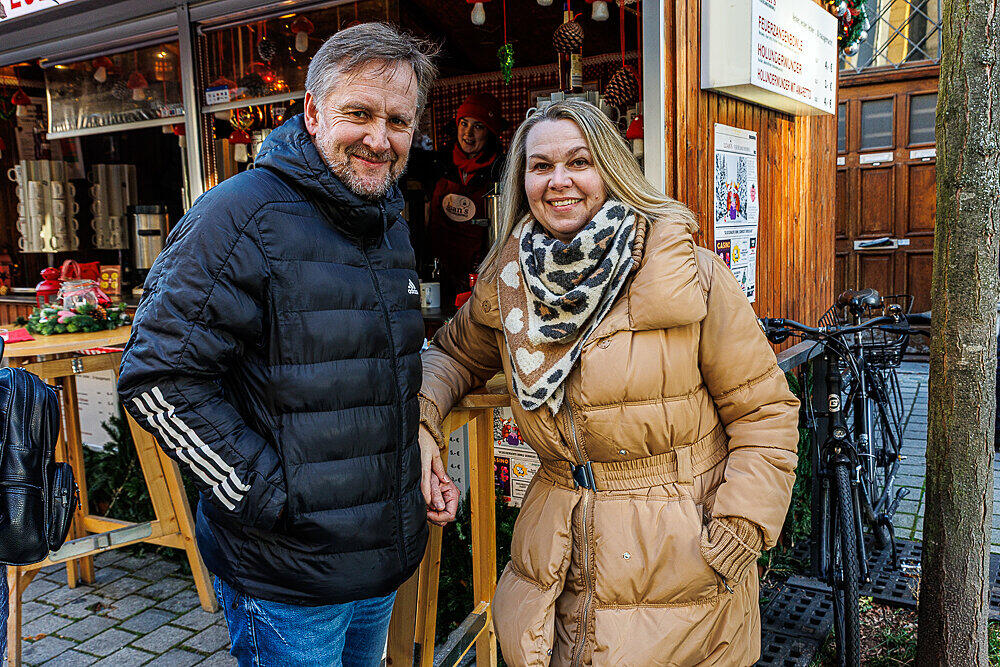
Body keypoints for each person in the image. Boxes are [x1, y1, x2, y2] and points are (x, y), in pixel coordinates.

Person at [118, 23, 458, 667]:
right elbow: (158, 379)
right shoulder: (238, 216)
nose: (379, 139)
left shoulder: (385, 219)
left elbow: (373, 372)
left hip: (376, 560)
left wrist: (414, 441)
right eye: (359, 113)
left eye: (399, 121)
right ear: (311, 110)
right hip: (287, 574)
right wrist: (268, 495)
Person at [417, 100, 800, 665]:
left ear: (612, 170)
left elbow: (764, 412)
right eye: (541, 166)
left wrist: (739, 528)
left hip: (678, 566)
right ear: (522, 181)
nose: (559, 181)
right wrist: (423, 421)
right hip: (554, 551)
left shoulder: (686, 272)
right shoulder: (510, 284)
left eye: (579, 161)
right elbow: (449, 355)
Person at [427, 92, 507, 308]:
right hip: (439, 272)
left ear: (489, 132)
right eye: (464, 124)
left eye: (478, 126)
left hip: (480, 273)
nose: (468, 133)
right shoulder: (438, 164)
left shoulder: (500, 171)